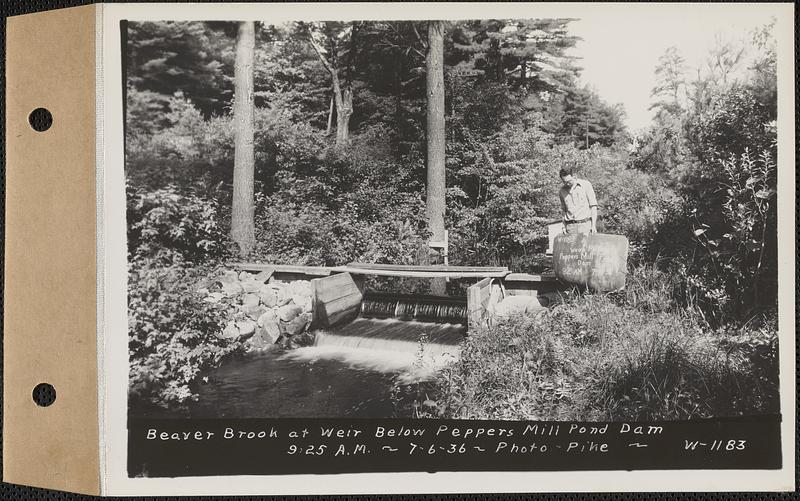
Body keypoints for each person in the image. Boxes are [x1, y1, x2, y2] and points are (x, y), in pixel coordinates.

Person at [558, 167, 597, 235]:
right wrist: (563, 227)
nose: (567, 184)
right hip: (570, 227)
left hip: (585, 226)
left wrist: (593, 226)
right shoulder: (562, 191)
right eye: (564, 182)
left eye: (569, 181)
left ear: (574, 176)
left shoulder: (586, 185)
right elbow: (564, 211)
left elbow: (593, 206)